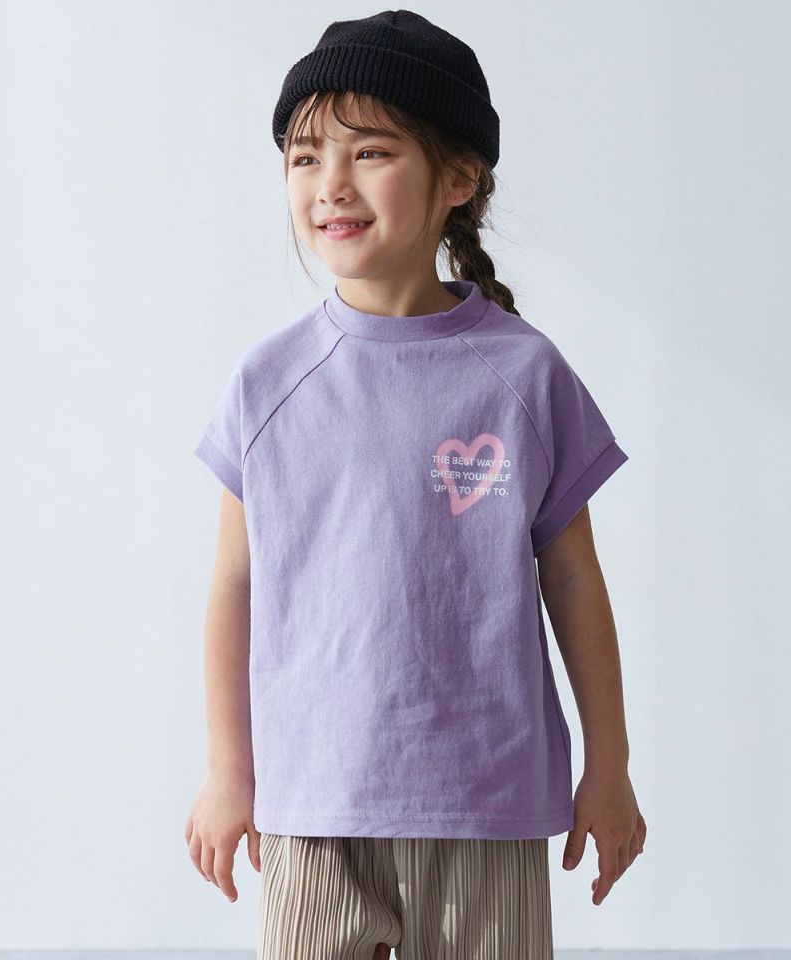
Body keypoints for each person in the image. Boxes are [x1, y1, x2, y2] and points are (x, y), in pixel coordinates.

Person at [184, 9, 646, 959]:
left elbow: (574, 581)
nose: (330, 183)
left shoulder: (525, 376)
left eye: (370, 152)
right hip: (315, 806)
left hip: (487, 806)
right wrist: (230, 771)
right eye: (305, 157)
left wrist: (611, 764)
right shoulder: (268, 385)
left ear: (459, 178)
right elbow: (234, 585)